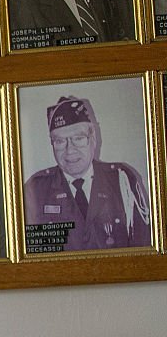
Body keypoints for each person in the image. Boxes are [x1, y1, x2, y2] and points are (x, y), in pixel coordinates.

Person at [24, 96, 150, 251]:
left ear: (94, 139)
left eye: (79, 138)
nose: (70, 150)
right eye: (60, 141)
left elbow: (144, 246)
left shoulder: (122, 180)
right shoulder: (35, 190)